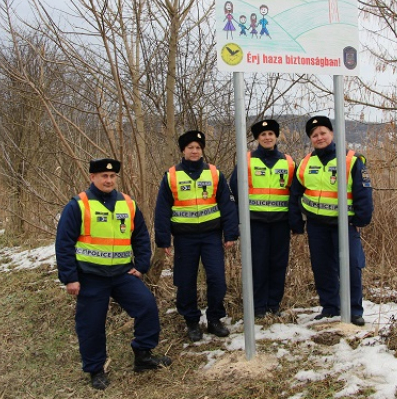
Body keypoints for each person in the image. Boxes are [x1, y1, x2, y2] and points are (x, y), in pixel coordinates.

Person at [55, 158, 171, 390]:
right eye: (103, 176)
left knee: (147, 306)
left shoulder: (127, 203)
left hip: (122, 274)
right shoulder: (79, 205)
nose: (108, 180)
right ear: (92, 178)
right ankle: (95, 370)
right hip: (90, 276)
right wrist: (70, 277)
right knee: (91, 324)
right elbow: (64, 243)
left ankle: (143, 356)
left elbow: (140, 235)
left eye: (112, 176)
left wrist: (141, 265)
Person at [154, 130, 240, 342]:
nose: (194, 151)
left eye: (198, 148)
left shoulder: (214, 174)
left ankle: (214, 319)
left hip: (211, 236)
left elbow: (227, 206)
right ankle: (191, 321)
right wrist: (163, 239)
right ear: (183, 150)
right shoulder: (172, 176)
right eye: (190, 148)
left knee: (217, 279)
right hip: (184, 239)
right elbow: (162, 210)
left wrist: (230, 233)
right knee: (185, 282)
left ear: (202, 150)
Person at [289, 116, 373, 326]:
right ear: (311, 139)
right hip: (317, 225)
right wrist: (297, 222)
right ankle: (330, 307)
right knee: (322, 267)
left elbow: (363, 192)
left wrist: (360, 219)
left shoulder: (351, 160)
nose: (319, 137)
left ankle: (354, 310)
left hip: (344, 224)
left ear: (332, 134)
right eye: (314, 135)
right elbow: (296, 193)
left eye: (323, 133)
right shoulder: (306, 163)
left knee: (351, 265)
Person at [230, 119, 295, 318]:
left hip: (280, 223)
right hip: (255, 223)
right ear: (257, 138)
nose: (267, 137)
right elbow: (235, 187)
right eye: (263, 135)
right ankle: (257, 306)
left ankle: (273, 304)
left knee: (278, 263)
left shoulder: (289, 162)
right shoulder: (247, 160)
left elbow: (296, 192)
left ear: (276, 137)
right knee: (257, 264)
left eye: (271, 134)